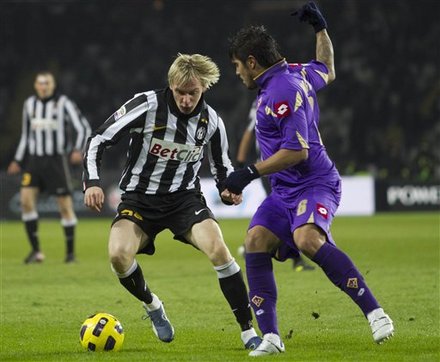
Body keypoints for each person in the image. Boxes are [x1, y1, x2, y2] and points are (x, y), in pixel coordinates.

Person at [225, 2, 394, 356]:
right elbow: (328, 69)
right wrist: (320, 30)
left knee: (306, 239)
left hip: (314, 182)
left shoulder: (281, 92)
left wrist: (249, 172)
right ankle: (271, 337)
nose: (238, 73)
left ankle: (376, 313)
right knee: (255, 239)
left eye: (238, 66)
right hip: (284, 190)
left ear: (252, 63)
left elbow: (297, 151)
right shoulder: (296, 73)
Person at [82, 53, 261, 350]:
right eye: (180, 92)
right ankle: (153, 306)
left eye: (193, 93)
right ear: (171, 86)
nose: (186, 100)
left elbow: (221, 165)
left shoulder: (211, 121)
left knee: (219, 250)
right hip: (139, 200)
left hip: (184, 200)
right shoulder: (147, 105)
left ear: (204, 87)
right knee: (118, 256)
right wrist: (92, 183)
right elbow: (99, 138)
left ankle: (248, 331)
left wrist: (228, 189)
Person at [7, 71, 90, 264]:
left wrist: (78, 149)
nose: (43, 86)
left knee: (65, 207)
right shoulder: (29, 104)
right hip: (34, 161)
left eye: (46, 83)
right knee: (26, 202)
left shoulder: (63, 103)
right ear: (36, 86)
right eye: (40, 83)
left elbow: (83, 127)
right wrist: (18, 160)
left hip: (56, 161)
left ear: (52, 85)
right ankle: (36, 252)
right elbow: (26, 136)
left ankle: (70, 254)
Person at [236, 99, 315, 272]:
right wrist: (240, 164)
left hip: (280, 165)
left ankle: (253, 242)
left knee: (282, 209)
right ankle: (293, 256)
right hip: (272, 167)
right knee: (286, 209)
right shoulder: (262, 102)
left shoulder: (272, 100)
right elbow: (249, 132)